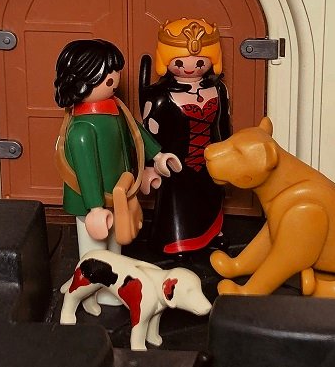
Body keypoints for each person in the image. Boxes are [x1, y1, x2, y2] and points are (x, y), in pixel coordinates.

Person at [54, 39, 180, 262]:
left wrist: (157, 156)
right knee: (94, 251)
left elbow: (136, 133)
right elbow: (86, 172)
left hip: (120, 192)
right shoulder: (81, 130)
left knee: (116, 242)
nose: (115, 80)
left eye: (115, 74)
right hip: (92, 201)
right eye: (107, 77)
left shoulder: (117, 110)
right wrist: (94, 207)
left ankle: (115, 278)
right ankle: (91, 280)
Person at [140, 19, 231, 256]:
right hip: (175, 163)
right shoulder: (160, 96)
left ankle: (213, 232)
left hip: (211, 159)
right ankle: (176, 241)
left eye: (200, 62)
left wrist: (229, 153)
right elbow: (148, 134)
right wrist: (149, 166)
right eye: (179, 62)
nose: (190, 68)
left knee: (211, 196)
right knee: (177, 204)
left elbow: (223, 124)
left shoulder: (218, 90)